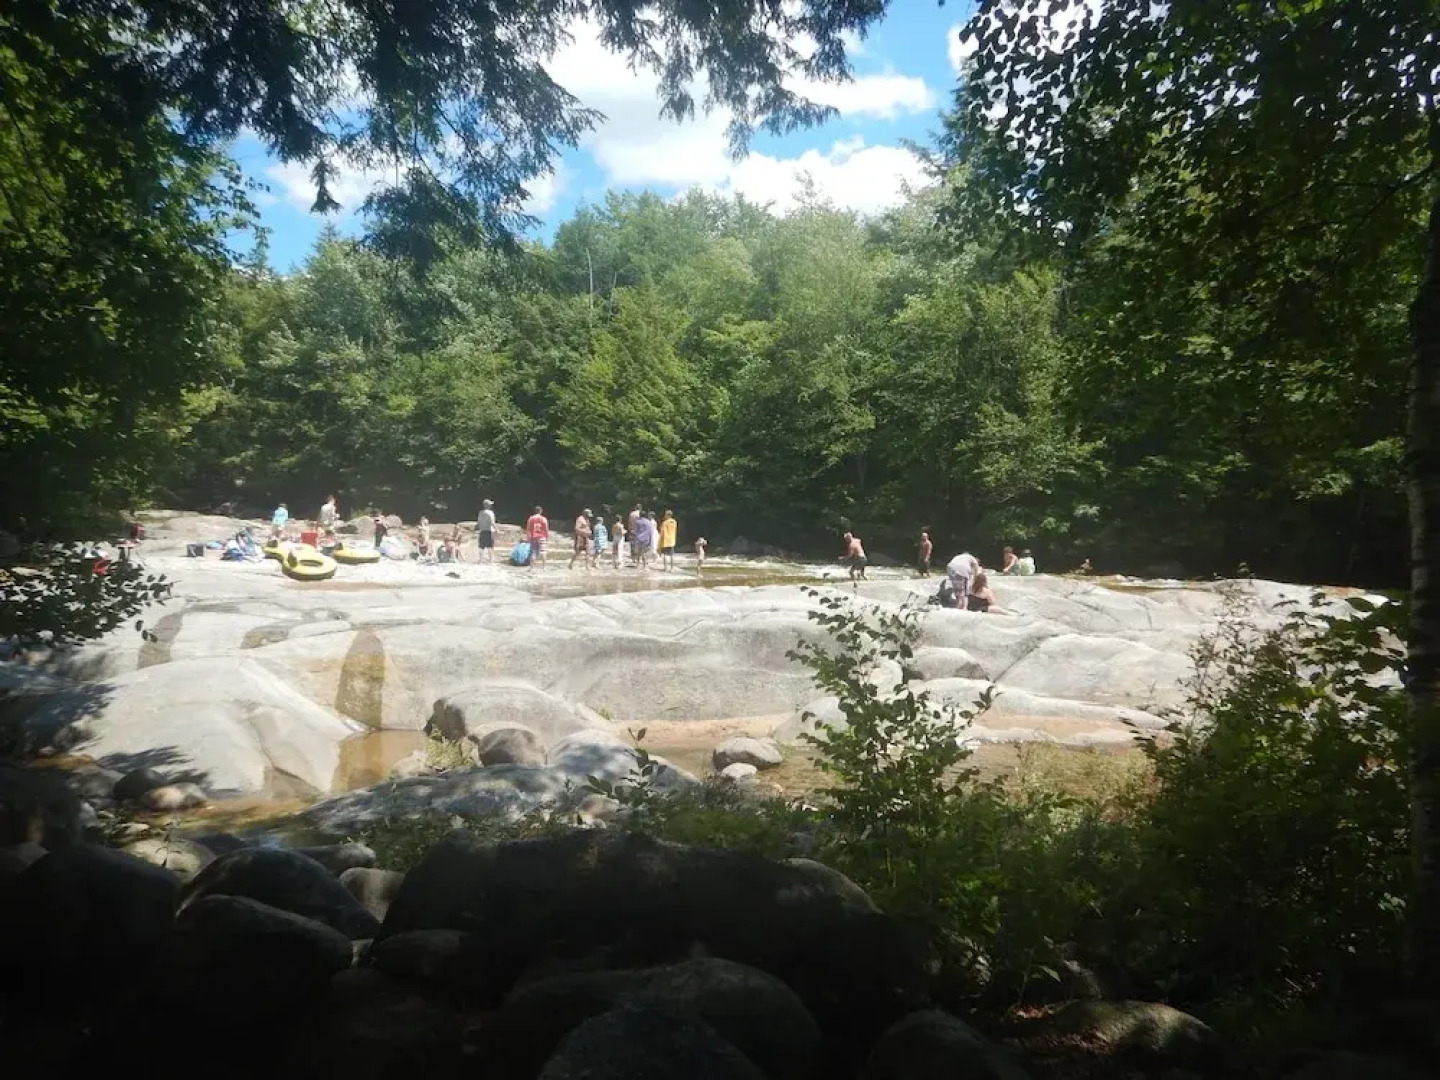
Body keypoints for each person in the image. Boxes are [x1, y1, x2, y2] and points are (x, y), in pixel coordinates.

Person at [476, 498, 497, 564]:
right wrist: (497, 530)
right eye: (490, 504)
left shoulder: (480, 512)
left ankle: (480, 560)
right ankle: (491, 561)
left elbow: (478, 523)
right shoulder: (490, 513)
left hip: (482, 530)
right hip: (490, 531)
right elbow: (492, 523)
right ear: (487, 505)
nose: (491, 505)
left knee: (481, 546)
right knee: (490, 546)